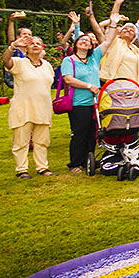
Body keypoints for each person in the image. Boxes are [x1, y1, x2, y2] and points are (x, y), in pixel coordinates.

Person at [2, 34, 55, 178]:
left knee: (42, 141)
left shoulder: (47, 66)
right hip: (23, 108)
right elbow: (5, 60)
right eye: (32, 43)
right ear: (26, 49)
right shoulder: (19, 63)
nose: (36, 45)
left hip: (43, 108)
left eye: (39, 43)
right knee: (21, 141)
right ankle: (22, 169)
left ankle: (42, 167)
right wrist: (13, 46)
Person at [60, 19, 102, 173]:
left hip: (94, 103)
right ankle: (75, 163)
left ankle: (88, 160)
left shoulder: (94, 58)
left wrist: (113, 21)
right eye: (81, 40)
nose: (85, 42)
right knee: (79, 133)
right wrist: (88, 86)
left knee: (92, 133)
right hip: (79, 103)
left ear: (92, 46)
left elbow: (108, 40)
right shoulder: (69, 60)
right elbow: (68, 79)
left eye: (88, 41)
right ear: (76, 44)